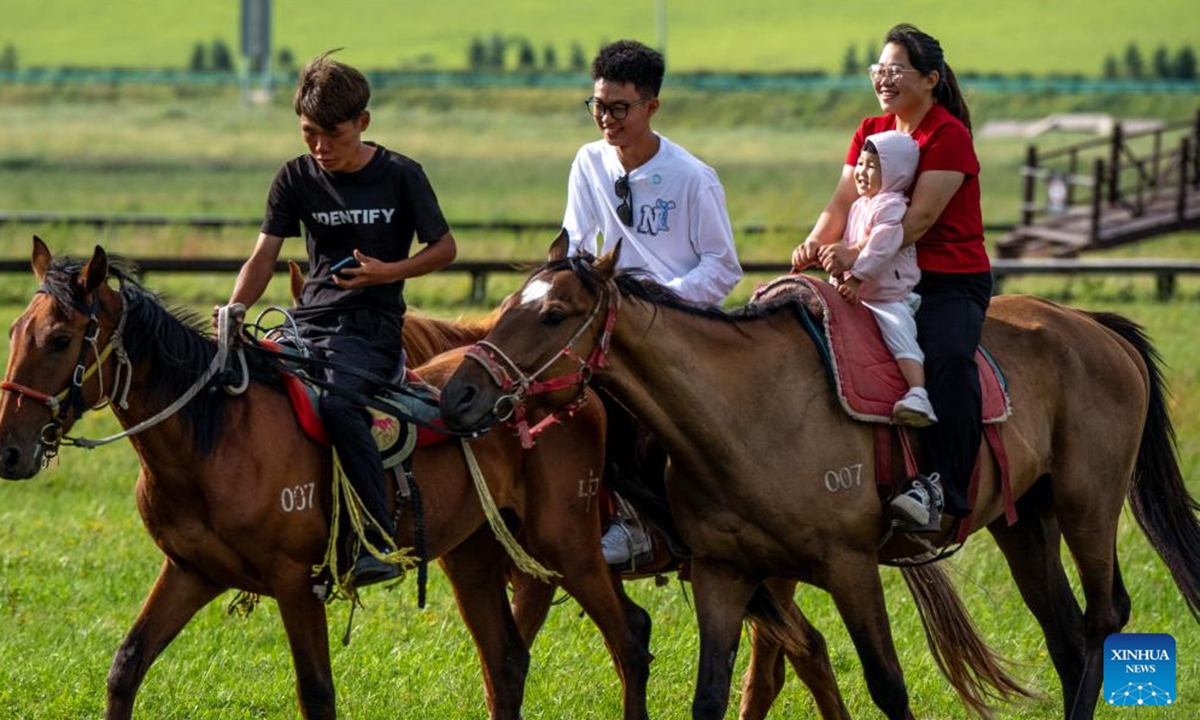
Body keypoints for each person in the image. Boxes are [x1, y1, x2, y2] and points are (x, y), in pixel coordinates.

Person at [222, 50, 458, 586]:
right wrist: (236, 309)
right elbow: (262, 257)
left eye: (333, 135)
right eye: (309, 134)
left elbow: (445, 249)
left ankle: (373, 539)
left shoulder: (401, 175)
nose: (320, 148)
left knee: (338, 405)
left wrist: (387, 272)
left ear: (363, 122)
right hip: (308, 325)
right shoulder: (294, 178)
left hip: (372, 331)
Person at [792, 24, 990, 532]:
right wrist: (815, 246)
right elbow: (841, 202)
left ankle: (942, 486)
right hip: (874, 274)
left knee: (947, 358)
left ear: (930, 79)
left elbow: (917, 221)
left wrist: (855, 256)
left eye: (896, 69)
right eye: (879, 69)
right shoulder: (870, 129)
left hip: (946, 279)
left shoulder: (949, 136)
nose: (884, 78)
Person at [562, 39, 743, 566]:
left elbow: (723, 266)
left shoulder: (692, 177)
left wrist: (661, 302)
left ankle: (641, 522)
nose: (606, 119)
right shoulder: (588, 161)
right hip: (610, 318)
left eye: (619, 108)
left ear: (651, 107)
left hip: (678, 326)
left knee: (630, 406)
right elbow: (576, 238)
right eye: (598, 105)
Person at [795, 130, 936, 427]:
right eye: (860, 163)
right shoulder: (858, 206)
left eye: (872, 165)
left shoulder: (891, 206)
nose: (861, 171)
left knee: (897, 330)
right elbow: (850, 246)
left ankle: (918, 392)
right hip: (856, 292)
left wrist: (856, 279)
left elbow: (880, 248)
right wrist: (818, 252)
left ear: (896, 173)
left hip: (886, 296)